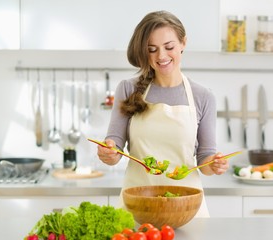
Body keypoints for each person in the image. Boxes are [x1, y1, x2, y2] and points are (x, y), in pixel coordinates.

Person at [96, 10, 229, 217]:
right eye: (152, 49)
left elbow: (204, 160)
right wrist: (108, 152)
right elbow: (115, 147)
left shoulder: (203, 96)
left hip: (186, 206)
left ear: (183, 43)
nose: (161, 56)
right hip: (138, 204)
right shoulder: (127, 89)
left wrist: (215, 164)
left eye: (169, 47)